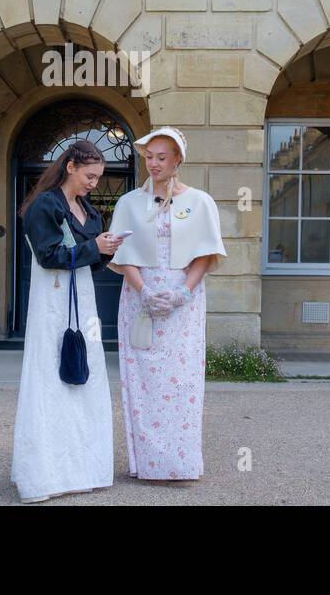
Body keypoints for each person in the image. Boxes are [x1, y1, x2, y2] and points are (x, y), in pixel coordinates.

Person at [108, 127, 225, 483]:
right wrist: (143, 290)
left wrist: (183, 293)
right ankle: (148, 464)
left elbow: (205, 254)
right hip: (140, 298)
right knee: (142, 380)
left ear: (178, 160)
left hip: (183, 303)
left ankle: (180, 463)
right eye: (149, 157)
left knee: (181, 382)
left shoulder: (200, 201)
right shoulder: (129, 202)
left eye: (161, 157)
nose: (154, 164)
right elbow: (122, 252)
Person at [11, 139, 125, 503]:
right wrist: (96, 248)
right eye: (90, 175)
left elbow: (87, 260)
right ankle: (45, 474)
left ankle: (82, 469)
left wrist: (106, 250)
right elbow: (48, 256)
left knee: (83, 377)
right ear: (71, 166)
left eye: (98, 177)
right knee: (50, 375)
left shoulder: (89, 211)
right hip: (53, 299)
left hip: (83, 298)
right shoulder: (45, 205)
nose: (94, 183)